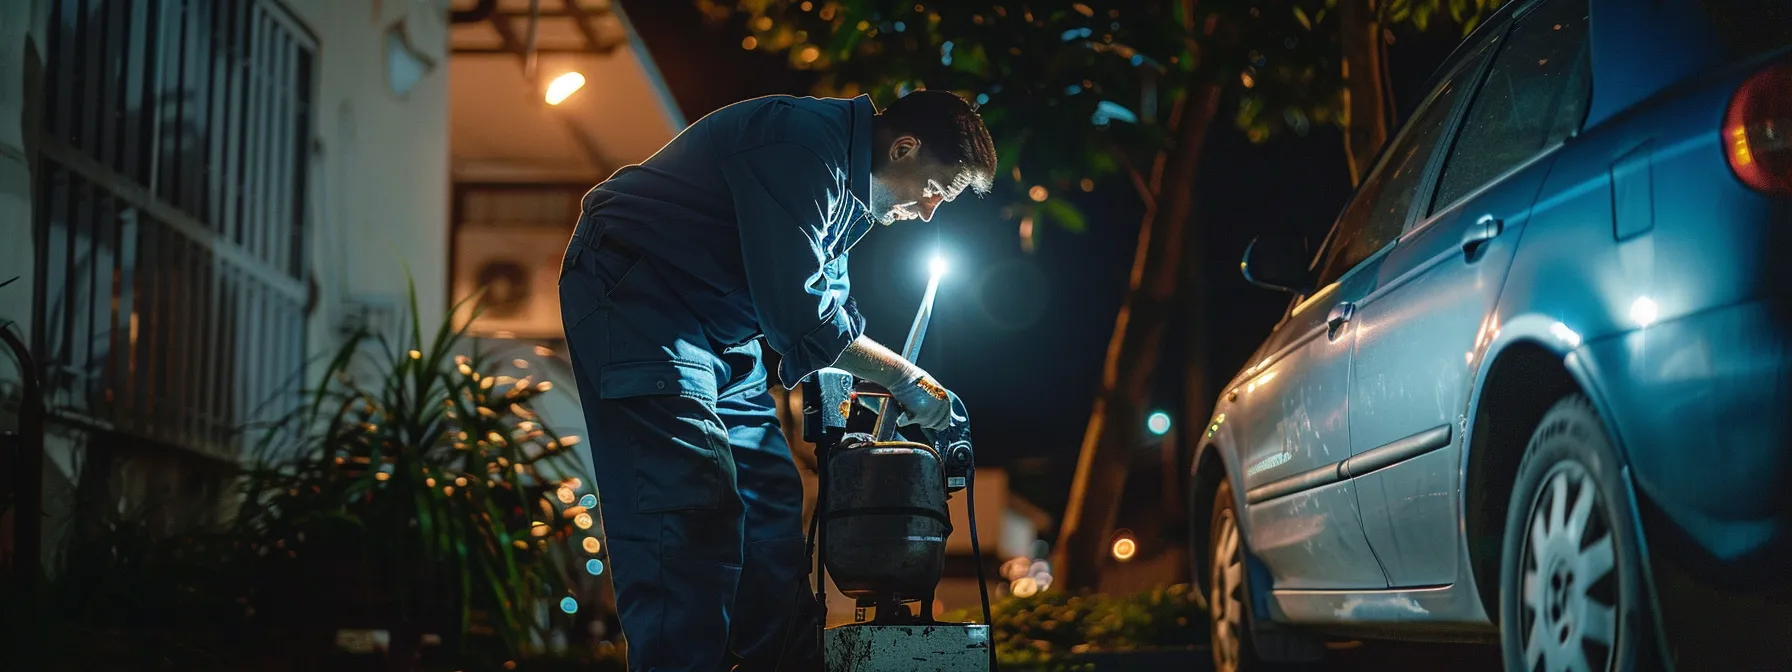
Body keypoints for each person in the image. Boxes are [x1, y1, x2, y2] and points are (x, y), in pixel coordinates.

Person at [557, 89, 997, 671]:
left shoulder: (845, 187)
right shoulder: (800, 145)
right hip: (638, 300)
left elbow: (831, 317)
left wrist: (871, 393)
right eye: (937, 189)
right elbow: (800, 317)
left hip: (722, 329)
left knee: (770, 498)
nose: (928, 211)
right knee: (690, 501)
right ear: (906, 148)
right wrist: (909, 377)